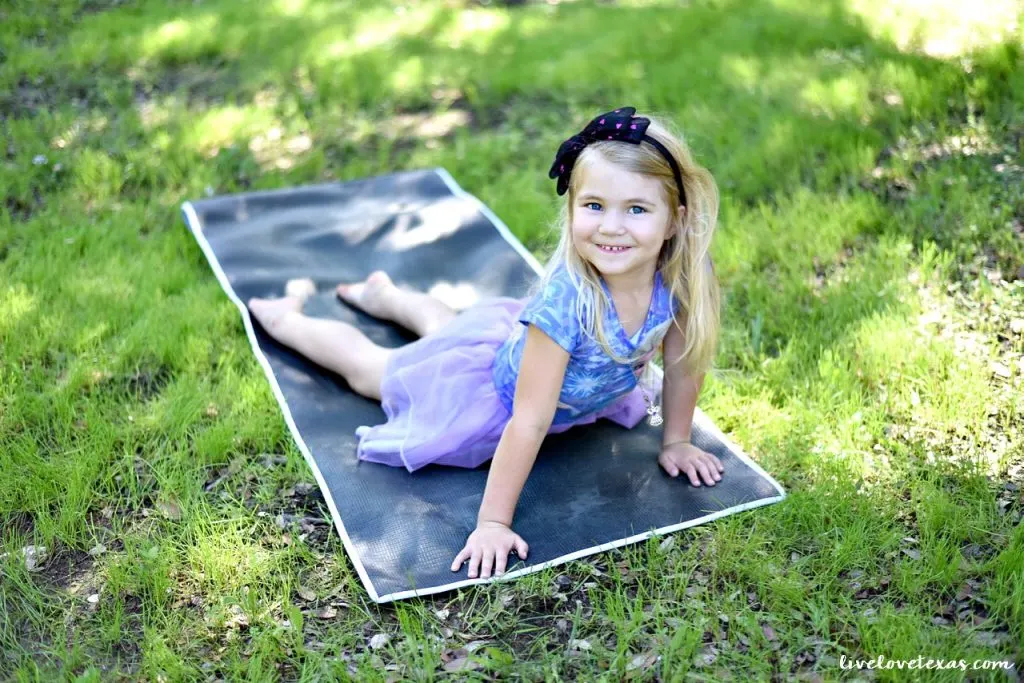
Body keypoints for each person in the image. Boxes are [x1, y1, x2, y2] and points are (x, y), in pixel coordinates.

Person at [246, 106, 725, 581]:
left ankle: (386, 296)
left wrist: (677, 441)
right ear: (572, 208)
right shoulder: (564, 309)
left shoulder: (682, 277)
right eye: (594, 206)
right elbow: (529, 420)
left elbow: (683, 365)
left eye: (636, 209)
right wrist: (493, 523)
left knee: (448, 332)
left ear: (675, 220)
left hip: (551, 378)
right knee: (372, 370)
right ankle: (288, 319)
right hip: (496, 393)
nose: (611, 226)